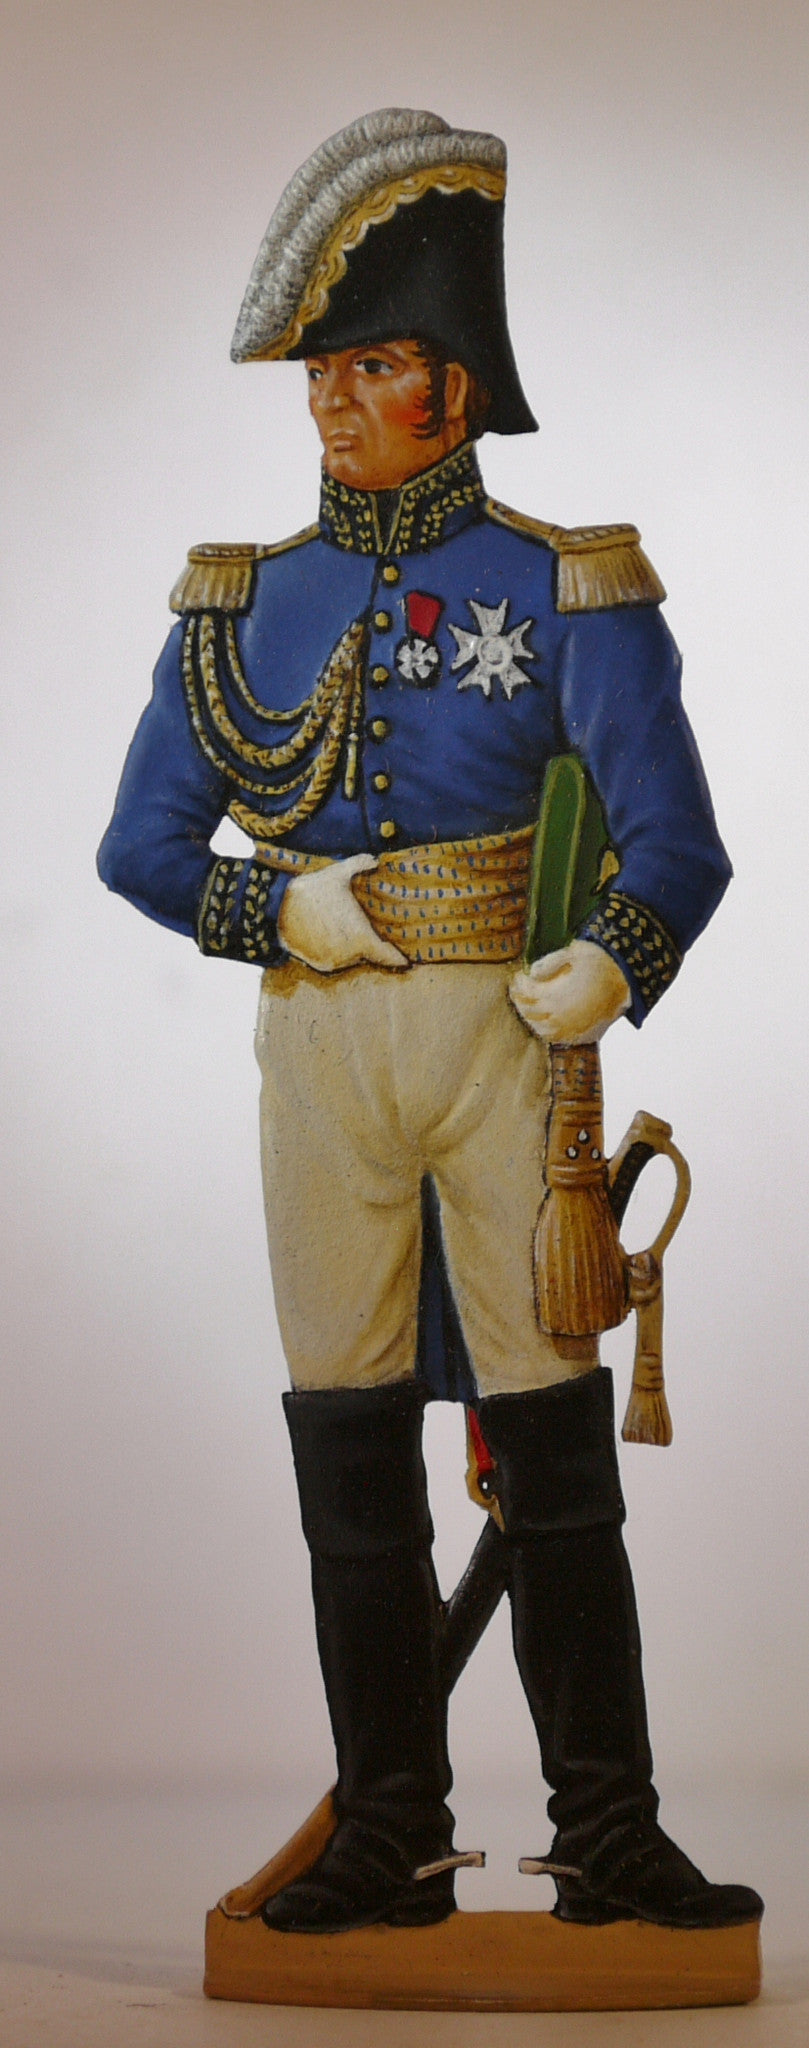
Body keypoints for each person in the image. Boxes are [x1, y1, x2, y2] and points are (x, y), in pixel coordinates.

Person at [98, 107, 762, 1938]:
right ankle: (389, 1829)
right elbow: (140, 847)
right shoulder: (242, 604)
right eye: (322, 369)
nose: (332, 400)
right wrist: (273, 907)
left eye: (371, 363)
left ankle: (607, 1833)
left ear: (453, 388)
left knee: (552, 1453)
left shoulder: (567, 586)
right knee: (346, 1446)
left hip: (505, 1048)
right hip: (319, 1052)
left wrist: (612, 958)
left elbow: (677, 843)